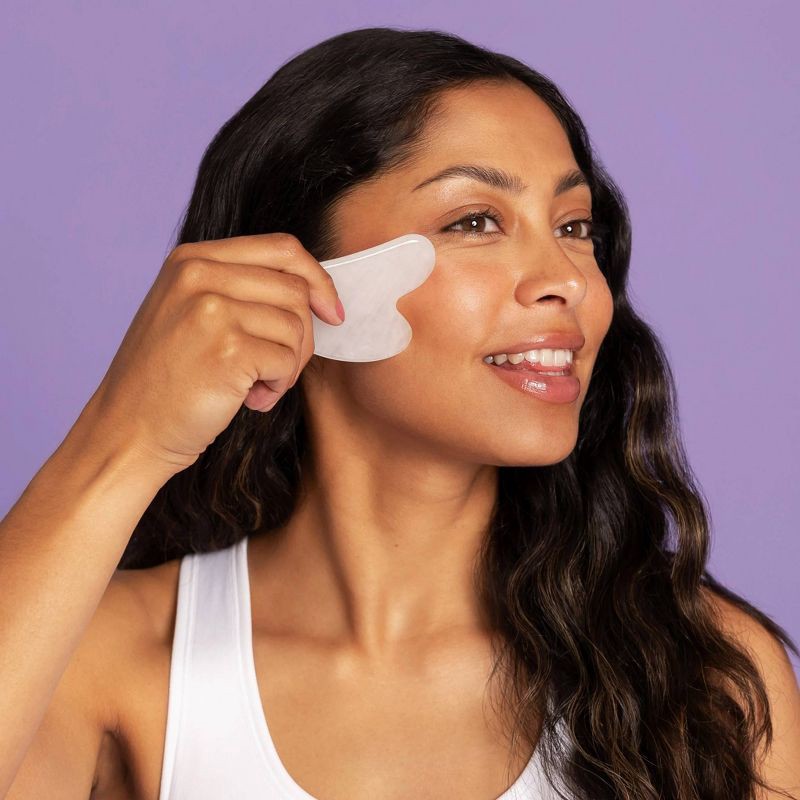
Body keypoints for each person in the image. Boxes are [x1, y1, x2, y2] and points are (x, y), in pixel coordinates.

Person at [1, 25, 799, 800]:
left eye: (574, 226)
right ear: (298, 276)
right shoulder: (106, 660)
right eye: (475, 221)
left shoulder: (706, 673)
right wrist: (125, 440)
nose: (568, 280)